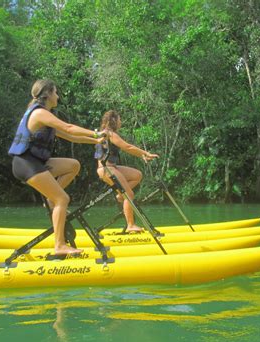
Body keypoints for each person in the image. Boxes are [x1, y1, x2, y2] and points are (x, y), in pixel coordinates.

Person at [9, 79, 105, 255]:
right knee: (63, 199)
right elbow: (68, 127)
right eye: (56, 92)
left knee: (73, 165)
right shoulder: (40, 114)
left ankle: (52, 201)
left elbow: (71, 136)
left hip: (35, 162)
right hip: (26, 164)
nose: (58, 96)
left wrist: (95, 140)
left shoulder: (45, 115)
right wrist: (96, 132)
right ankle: (59, 246)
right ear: (47, 95)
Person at [95, 110, 159, 232]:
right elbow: (127, 147)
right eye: (119, 119)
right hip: (106, 169)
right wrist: (145, 153)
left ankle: (120, 195)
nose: (121, 122)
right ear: (113, 121)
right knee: (129, 194)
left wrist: (142, 155)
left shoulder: (108, 133)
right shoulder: (110, 134)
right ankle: (130, 225)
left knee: (137, 175)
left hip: (112, 167)